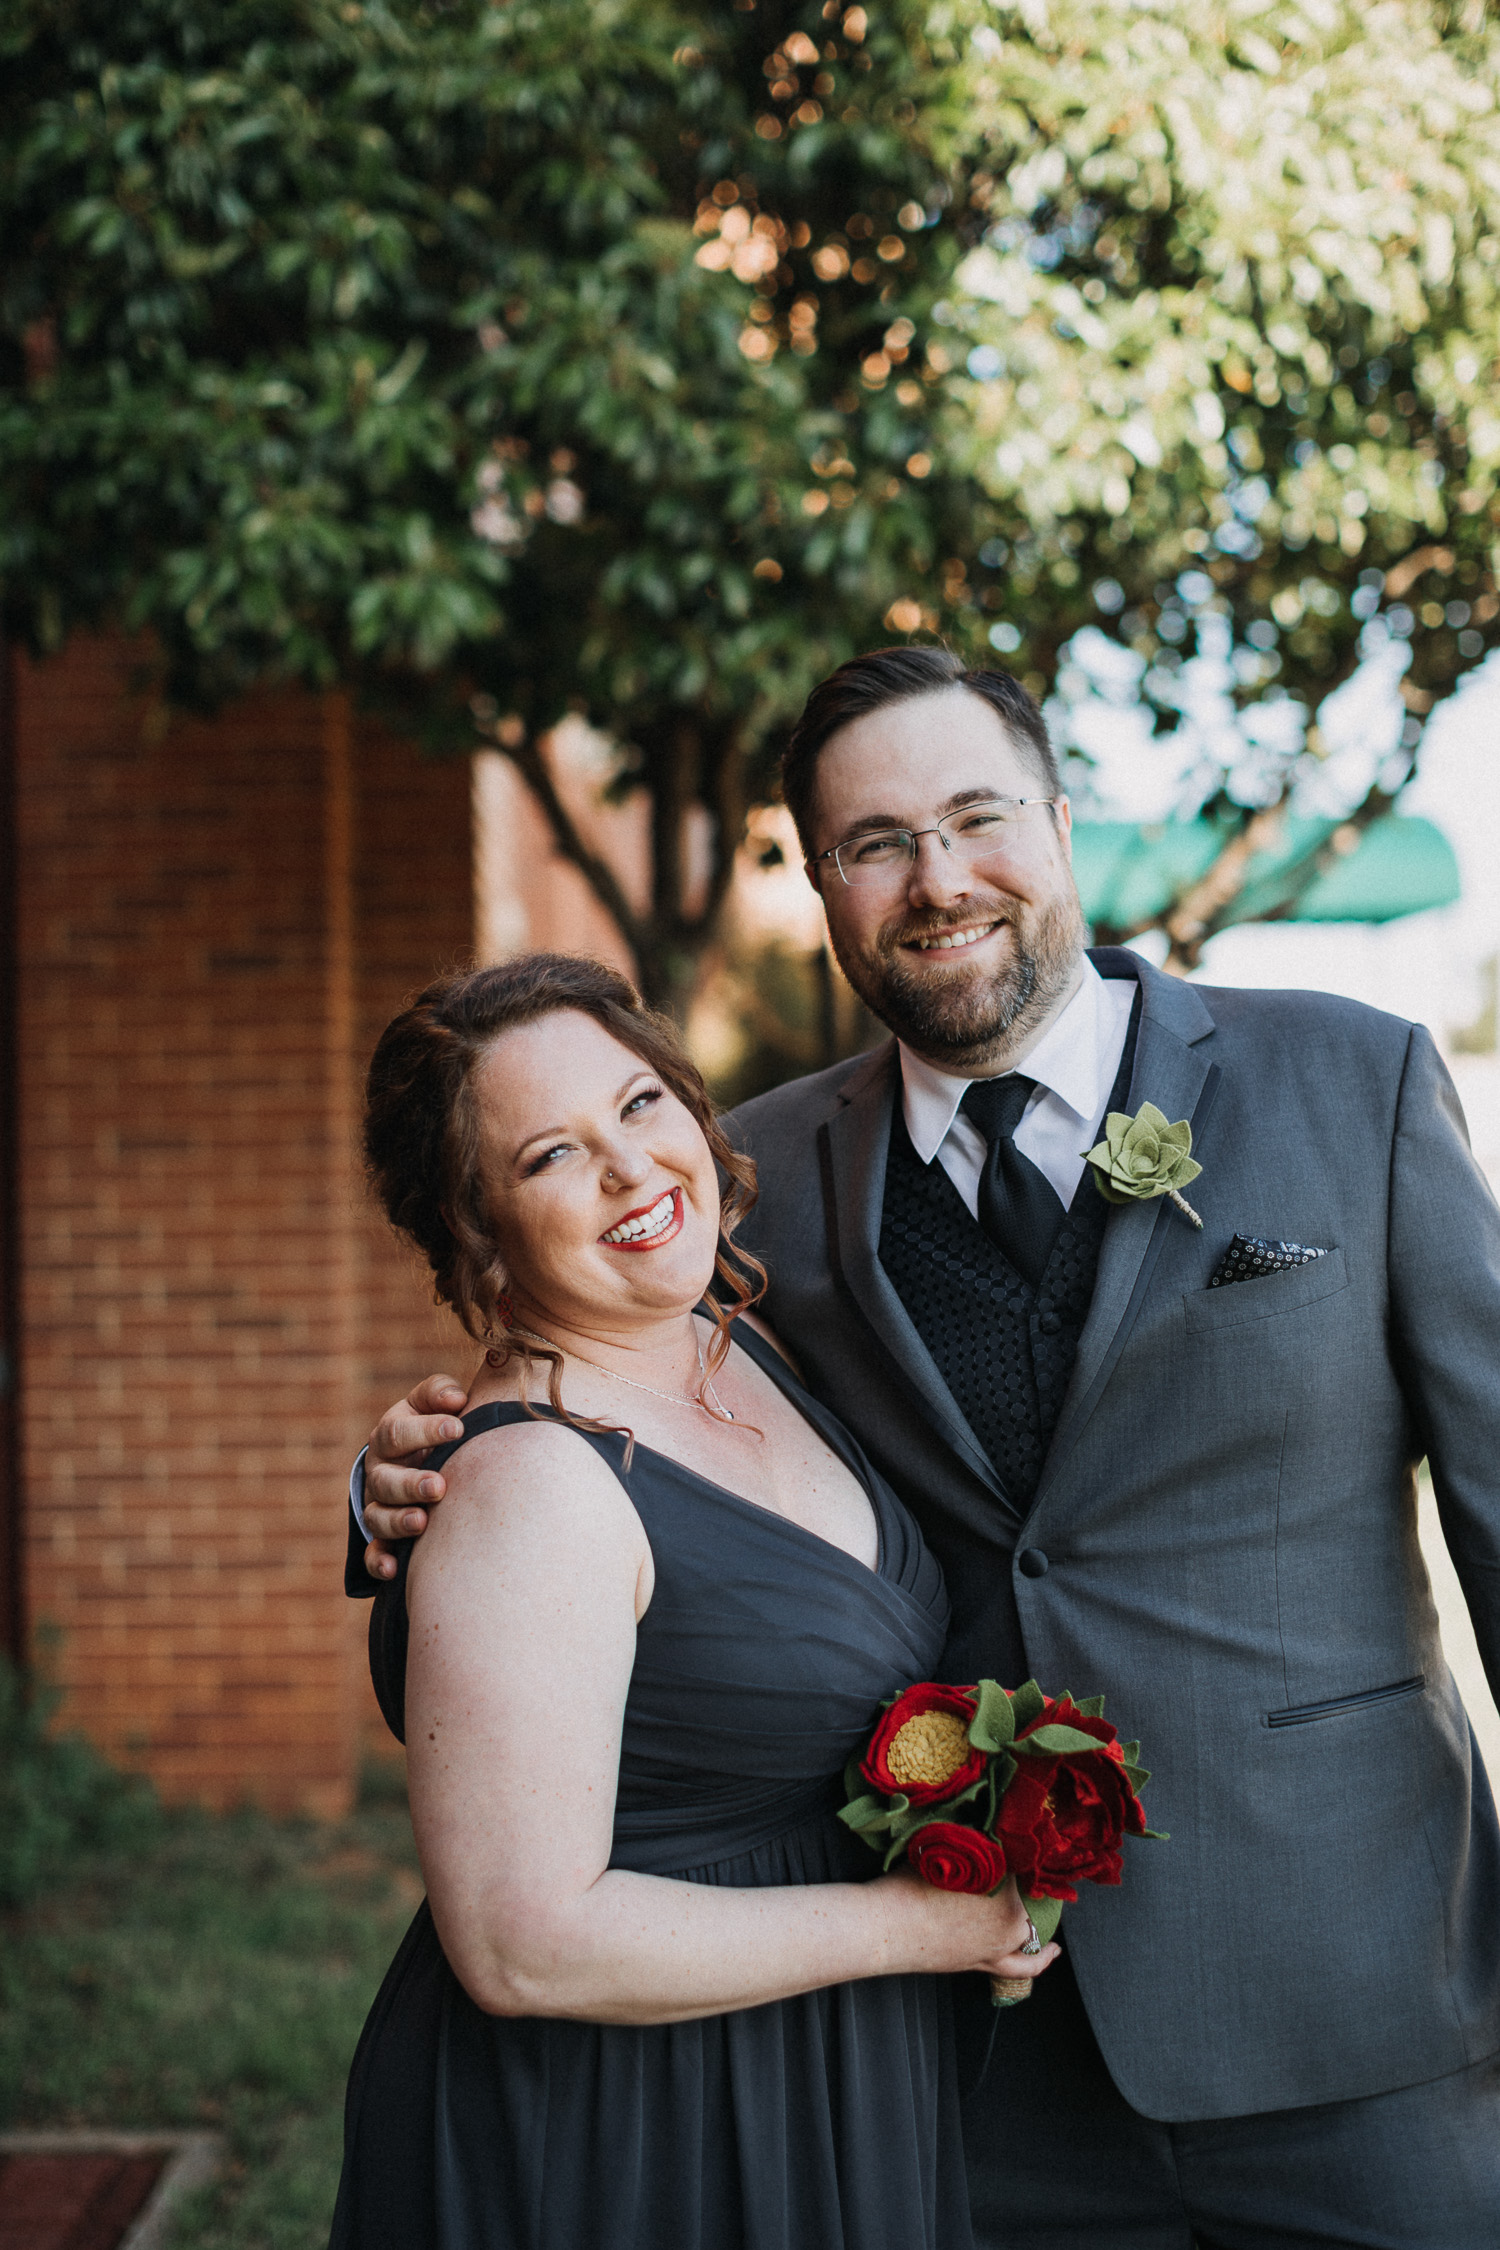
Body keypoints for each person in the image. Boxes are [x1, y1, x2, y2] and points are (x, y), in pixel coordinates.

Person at [359, 646, 1500, 2249]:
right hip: (974, 2067)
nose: (938, 878)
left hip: (1358, 1996)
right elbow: (588, 1418)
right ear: (823, 884)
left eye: (978, 815)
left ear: (1058, 816)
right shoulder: (745, 1178)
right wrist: (411, 1473)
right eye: (875, 841)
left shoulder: (1350, 1078)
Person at [329, 950, 1055, 2250]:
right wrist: (915, 1925)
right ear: (474, 1232)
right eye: (550, 1155)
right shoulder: (531, 1489)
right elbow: (522, 1943)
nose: (627, 1167)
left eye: (640, 1103)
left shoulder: (750, 1334)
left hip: (824, 2070)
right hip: (634, 2128)